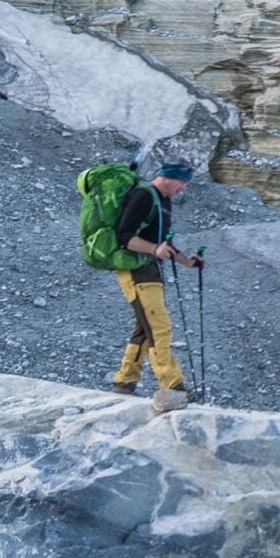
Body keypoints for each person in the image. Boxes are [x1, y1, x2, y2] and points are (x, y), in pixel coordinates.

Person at [108, 162, 205, 399]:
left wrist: (189, 262)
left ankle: (124, 382)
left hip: (150, 269)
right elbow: (124, 237)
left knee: (145, 327)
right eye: (181, 182)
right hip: (135, 268)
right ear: (167, 177)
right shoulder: (143, 196)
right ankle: (172, 386)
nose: (183, 187)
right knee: (159, 326)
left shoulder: (163, 201)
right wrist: (154, 249)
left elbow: (164, 244)